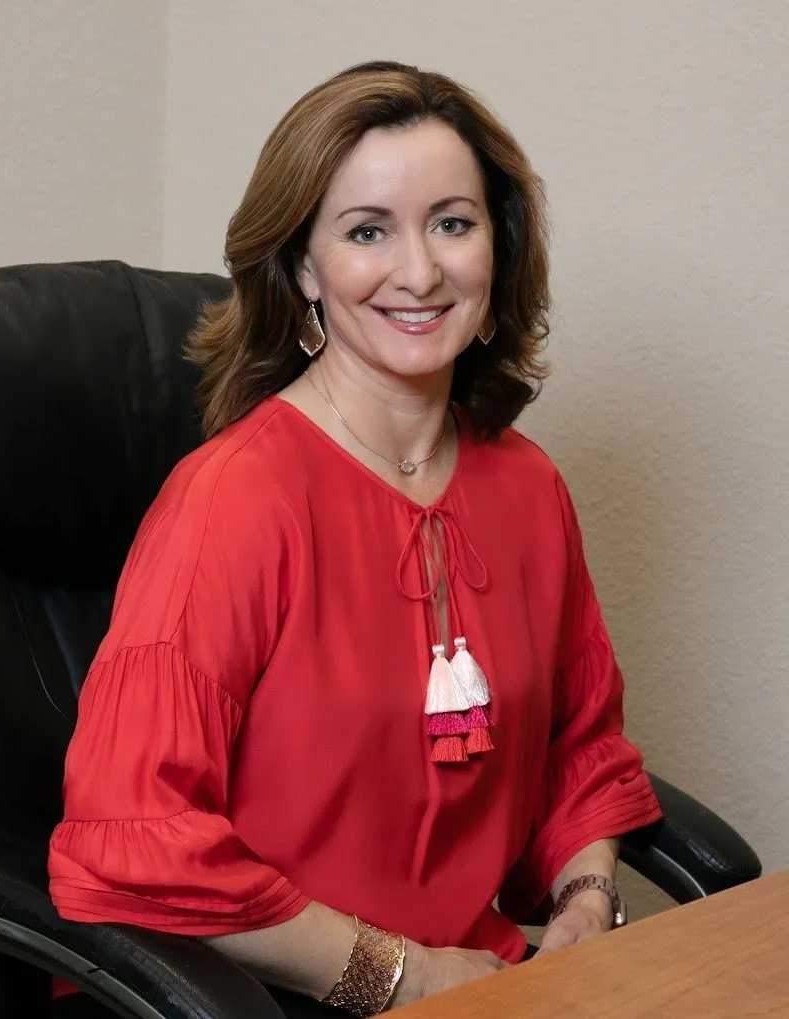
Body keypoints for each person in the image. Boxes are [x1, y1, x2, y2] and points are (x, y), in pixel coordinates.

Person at [48, 60, 662, 1017]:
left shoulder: (529, 484)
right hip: (260, 994)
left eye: (452, 223)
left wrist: (586, 901)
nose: (419, 271)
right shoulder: (231, 501)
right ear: (302, 267)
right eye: (368, 231)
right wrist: (403, 971)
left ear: (497, 246)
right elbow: (136, 838)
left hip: (490, 985)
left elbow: (582, 749)